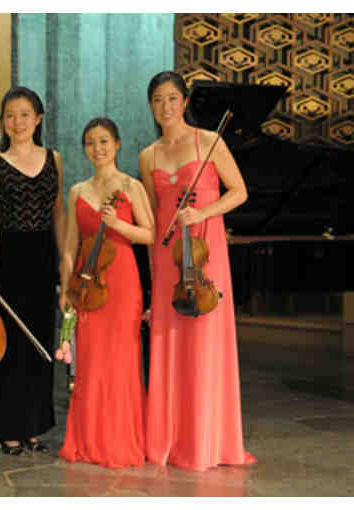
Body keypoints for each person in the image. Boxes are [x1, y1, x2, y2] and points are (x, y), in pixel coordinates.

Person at [139, 70, 257, 471]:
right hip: (168, 259)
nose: (166, 107)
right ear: (151, 106)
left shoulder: (209, 142)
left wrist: (203, 212)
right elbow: (155, 217)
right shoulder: (148, 155)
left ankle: (207, 441)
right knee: (170, 342)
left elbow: (239, 192)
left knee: (205, 342)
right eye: (158, 100)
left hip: (207, 257)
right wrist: (152, 277)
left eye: (172, 98)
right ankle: (169, 438)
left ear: (185, 102)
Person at [58, 118, 155, 469]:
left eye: (103, 141)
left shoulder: (132, 185)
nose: (97, 149)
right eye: (90, 142)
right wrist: (66, 287)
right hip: (88, 284)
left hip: (123, 283)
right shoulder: (77, 191)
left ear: (117, 144)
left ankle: (119, 440)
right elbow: (70, 246)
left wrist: (118, 225)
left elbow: (151, 234)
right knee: (90, 362)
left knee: (121, 361)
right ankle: (88, 440)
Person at [0, 86, 66, 455]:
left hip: (43, 255)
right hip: (8, 255)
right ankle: (7, 428)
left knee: (40, 341)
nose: (18, 122)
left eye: (25, 114)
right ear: (2, 122)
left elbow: (59, 213)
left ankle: (34, 426)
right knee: (9, 343)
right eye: (10, 115)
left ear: (38, 118)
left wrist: (64, 262)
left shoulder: (54, 159)